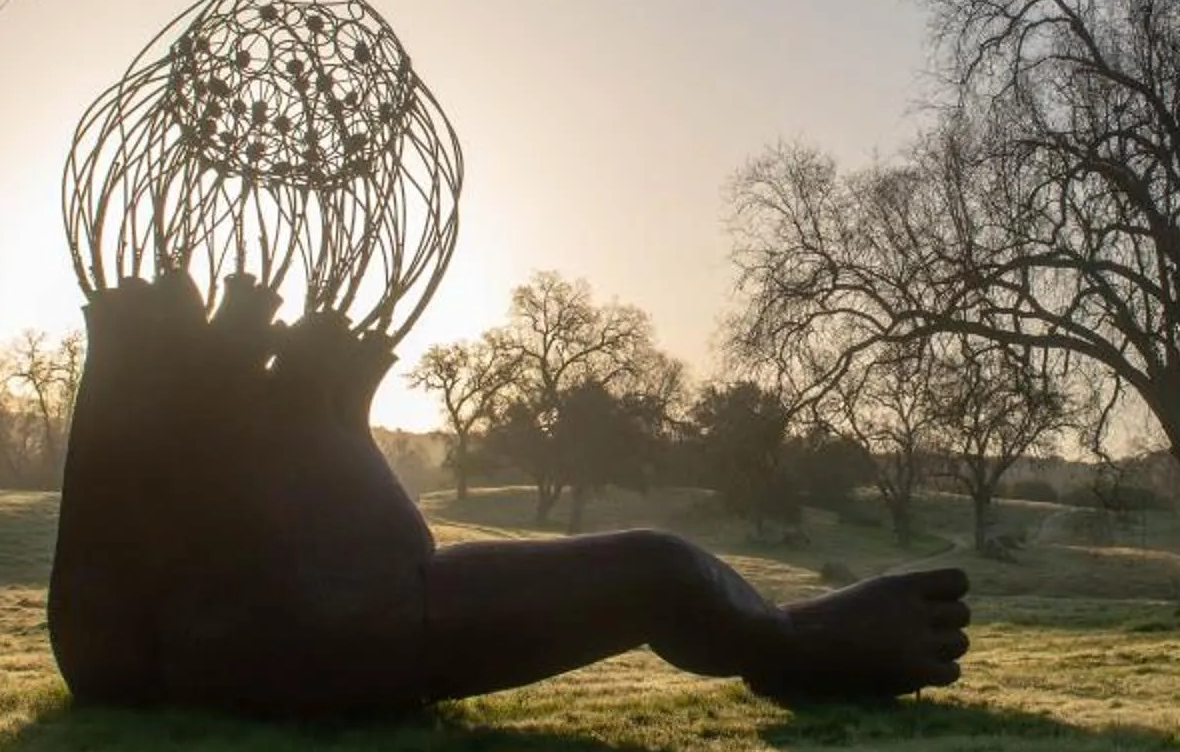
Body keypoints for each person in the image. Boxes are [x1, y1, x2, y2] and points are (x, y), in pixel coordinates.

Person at [47, 274, 973, 718]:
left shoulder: (210, 403)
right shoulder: (187, 407)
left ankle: (788, 643)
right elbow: (103, 646)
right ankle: (795, 646)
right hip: (340, 627)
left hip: (346, 619)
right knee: (657, 568)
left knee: (656, 568)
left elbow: (102, 647)